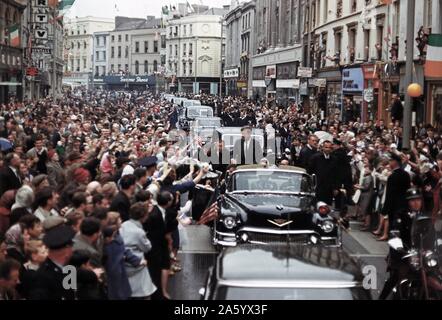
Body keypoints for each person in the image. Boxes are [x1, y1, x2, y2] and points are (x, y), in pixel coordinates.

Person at [379, 188, 434, 299]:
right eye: (412, 200)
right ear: (408, 202)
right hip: (404, 253)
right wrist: (400, 248)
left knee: (434, 273)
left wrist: (432, 247)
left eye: (418, 200)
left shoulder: (424, 216)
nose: (416, 203)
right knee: (397, 276)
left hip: (421, 254)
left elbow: (431, 233)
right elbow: (395, 233)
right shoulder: (401, 215)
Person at [29, 223, 77, 300]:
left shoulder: (69, 267)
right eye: (71, 246)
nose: (73, 250)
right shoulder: (41, 278)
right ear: (67, 250)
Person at [119, 203, 156, 300]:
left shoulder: (123, 225)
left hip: (124, 263)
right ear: (143, 217)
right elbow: (147, 248)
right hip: (137, 265)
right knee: (144, 293)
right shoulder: (139, 232)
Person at [103, 211, 140, 300]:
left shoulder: (115, 234)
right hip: (115, 275)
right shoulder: (112, 240)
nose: (121, 220)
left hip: (119, 273)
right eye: (119, 219)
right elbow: (115, 262)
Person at [144, 191, 174, 300]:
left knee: (163, 266)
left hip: (161, 246)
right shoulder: (155, 214)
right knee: (155, 271)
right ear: (167, 202)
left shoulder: (162, 212)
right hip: (155, 248)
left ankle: (161, 291)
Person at [376, 153, 411, 241]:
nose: (389, 163)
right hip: (404, 207)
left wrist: (385, 210)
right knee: (402, 231)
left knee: (394, 231)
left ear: (395, 162)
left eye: (391, 161)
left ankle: (394, 252)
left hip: (394, 208)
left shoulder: (392, 177)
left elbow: (390, 195)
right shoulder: (406, 175)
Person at [308, 140, 338, 205]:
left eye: (329, 148)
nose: (328, 149)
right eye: (326, 147)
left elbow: (336, 174)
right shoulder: (316, 157)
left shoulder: (334, 159)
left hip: (329, 188)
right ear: (322, 148)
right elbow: (310, 171)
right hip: (318, 186)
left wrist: (336, 187)